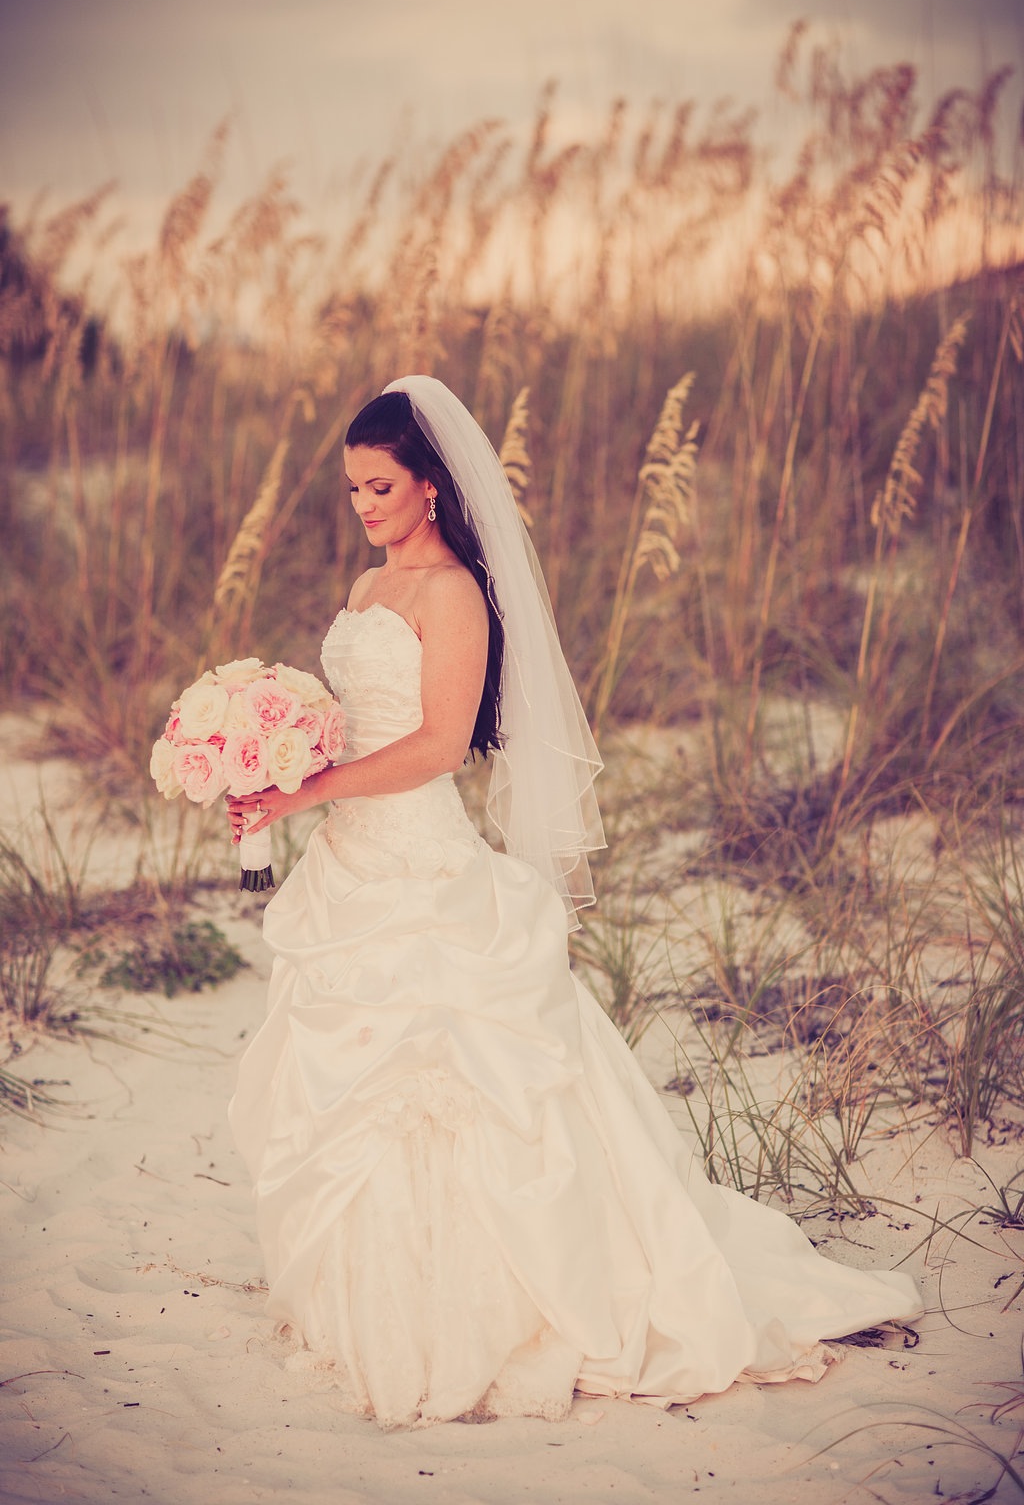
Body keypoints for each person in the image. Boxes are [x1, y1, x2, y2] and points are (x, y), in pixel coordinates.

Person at [226, 375, 922, 1431]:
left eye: (378, 487)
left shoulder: (455, 593)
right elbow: (357, 721)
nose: (361, 506)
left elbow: (439, 745)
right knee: (346, 1083)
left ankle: (507, 1305)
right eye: (352, 489)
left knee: (463, 1079)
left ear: (429, 487)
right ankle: (375, 1290)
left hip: (420, 862)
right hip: (348, 864)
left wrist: (308, 785)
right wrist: (270, 748)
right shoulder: (368, 591)